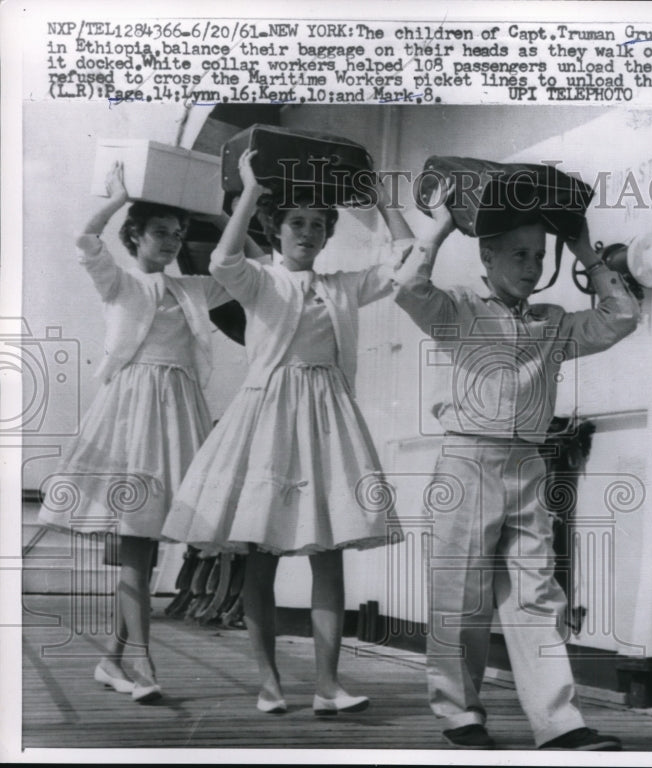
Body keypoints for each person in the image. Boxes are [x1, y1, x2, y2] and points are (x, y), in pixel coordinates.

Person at [161, 149, 413, 715]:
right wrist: (249, 190)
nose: (307, 232)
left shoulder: (342, 286)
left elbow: (407, 258)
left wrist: (377, 201)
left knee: (330, 552)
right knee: (261, 551)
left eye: (318, 226)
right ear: (276, 229)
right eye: (296, 223)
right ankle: (269, 681)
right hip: (269, 418)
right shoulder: (260, 281)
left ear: (327, 238)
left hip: (329, 424)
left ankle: (328, 684)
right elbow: (225, 259)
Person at [394, 178, 639, 750]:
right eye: (517, 255)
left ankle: (559, 723)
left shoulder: (552, 322)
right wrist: (450, 222)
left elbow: (621, 316)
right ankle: (460, 713)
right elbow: (407, 286)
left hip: (528, 464)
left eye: (538, 255)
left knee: (537, 593)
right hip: (467, 461)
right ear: (487, 255)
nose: (531, 266)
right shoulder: (457, 310)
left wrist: (583, 249)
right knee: (461, 594)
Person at [39, 162, 236, 703]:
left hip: (179, 413)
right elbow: (84, 239)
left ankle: (114, 660)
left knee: (144, 546)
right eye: (160, 233)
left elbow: (247, 269)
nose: (172, 242)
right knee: (134, 537)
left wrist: (226, 213)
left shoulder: (195, 287)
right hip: (130, 412)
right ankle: (142, 662)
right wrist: (119, 198)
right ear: (135, 236)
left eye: (177, 234)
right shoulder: (120, 283)